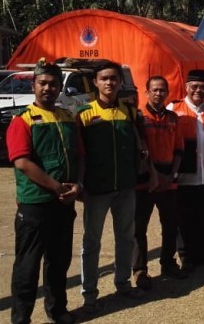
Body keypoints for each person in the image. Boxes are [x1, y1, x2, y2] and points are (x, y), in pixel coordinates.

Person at [6, 59, 82, 324]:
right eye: (42, 83)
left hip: (63, 205)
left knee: (58, 263)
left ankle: (57, 310)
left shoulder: (67, 118)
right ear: (33, 86)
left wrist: (77, 185)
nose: (47, 88)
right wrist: (56, 186)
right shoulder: (22, 120)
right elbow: (22, 163)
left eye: (53, 84)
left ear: (60, 87)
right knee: (27, 267)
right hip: (35, 205)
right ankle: (21, 319)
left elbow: (79, 156)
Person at [78, 61, 150, 313]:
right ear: (95, 82)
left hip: (126, 187)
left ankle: (123, 283)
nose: (109, 82)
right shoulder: (84, 114)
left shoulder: (129, 112)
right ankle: (89, 294)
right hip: (96, 190)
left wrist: (146, 171)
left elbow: (142, 146)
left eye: (114, 78)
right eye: (104, 78)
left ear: (120, 81)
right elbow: (79, 154)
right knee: (92, 242)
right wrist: (80, 185)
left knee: (126, 238)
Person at [134, 75, 187, 286]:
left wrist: (172, 175)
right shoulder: (138, 117)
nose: (158, 93)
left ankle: (168, 263)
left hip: (168, 179)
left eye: (162, 90)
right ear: (146, 92)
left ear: (167, 93)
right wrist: (152, 174)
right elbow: (138, 149)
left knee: (171, 224)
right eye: (154, 90)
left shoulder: (173, 118)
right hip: (144, 180)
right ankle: (140, 271)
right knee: (139, 227)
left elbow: (179, 149)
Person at [168, 69, 204, 271]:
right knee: (183, 217)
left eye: (203, 87)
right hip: (184, 175)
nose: (199, 90)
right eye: (195, 86)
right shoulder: (174, 108)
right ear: (186, 87)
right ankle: (185, 255)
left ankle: (203, 253)